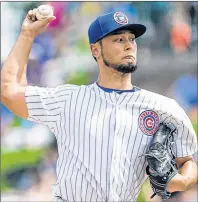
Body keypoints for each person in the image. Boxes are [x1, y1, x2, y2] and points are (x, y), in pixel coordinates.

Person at [1, 6, 197, 202]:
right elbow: (10, 91)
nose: (129, 45)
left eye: (132, 39)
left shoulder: (164, 108)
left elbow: (188, 161)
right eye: (119, 39)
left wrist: (182, 180)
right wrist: (28, 34)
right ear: (96, 50)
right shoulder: (67, 100)